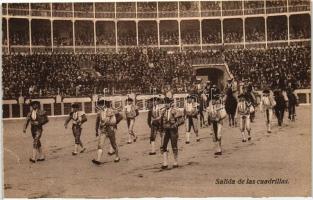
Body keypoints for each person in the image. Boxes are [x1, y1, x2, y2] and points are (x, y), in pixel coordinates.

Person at [92, 100, 120, 165]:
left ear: (103, 105)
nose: (98, 106)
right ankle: (98, 159)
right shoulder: (99, 112)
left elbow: (116, 119)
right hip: (103, 130)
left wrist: (111, 123)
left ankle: (117, 156)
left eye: (100, 105)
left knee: (113, 144)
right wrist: (96, 130)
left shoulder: (111, 111)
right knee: (100, 144)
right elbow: (97, 121)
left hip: (110, 129)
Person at [160, 97, 184, 169]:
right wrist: (161, 130)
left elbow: (181, 120)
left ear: (170, 103)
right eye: (165, 103)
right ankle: (165, 163)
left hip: (173, 130)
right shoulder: (163, 111)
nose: (166, 104)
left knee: (174, 145)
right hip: (166, 131)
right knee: (164, 146)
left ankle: (175, 161)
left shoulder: (175, 111)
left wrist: (175, 125)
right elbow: (161, 122)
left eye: (167, 103)